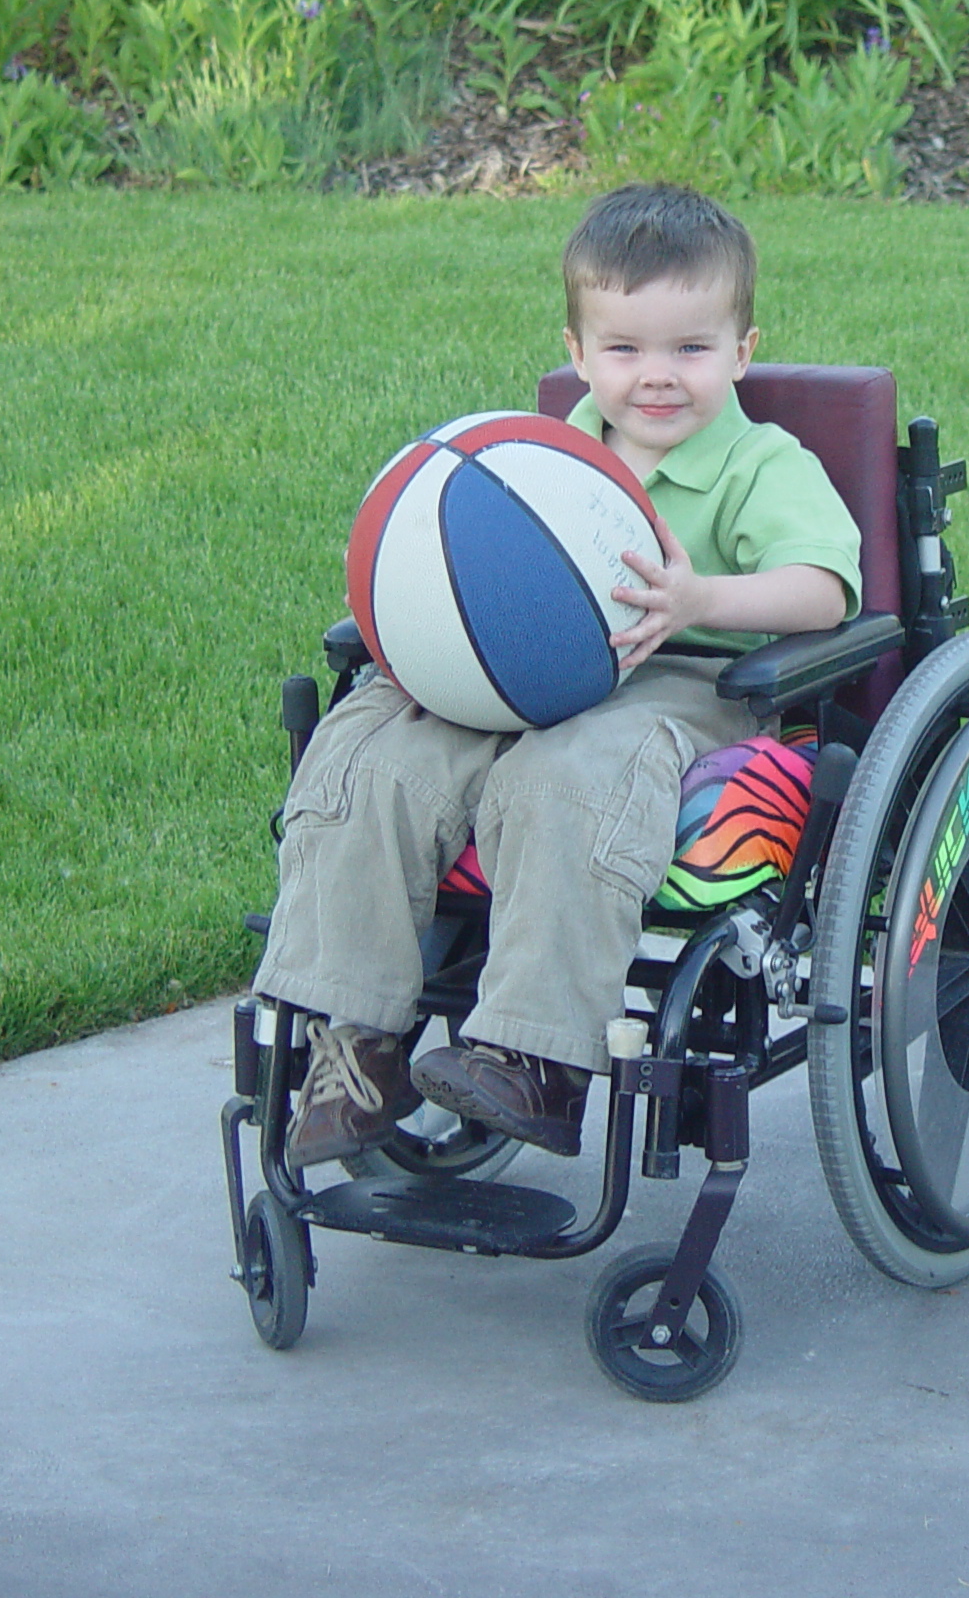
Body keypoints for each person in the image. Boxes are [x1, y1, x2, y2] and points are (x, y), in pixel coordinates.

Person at [252, 183, 862, 1166]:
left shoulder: (759, 463)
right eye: (623, 350)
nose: (655, 378)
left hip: (688, 685)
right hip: (518, 679)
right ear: (577, 353)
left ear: (743, 350)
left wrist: (698, 599)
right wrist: (428, 637)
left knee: (563, 781)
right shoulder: (537, 463)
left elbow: (825, 591)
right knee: (372, 754)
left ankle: (534, 1061)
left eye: (690, 350)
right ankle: (352, 1041)